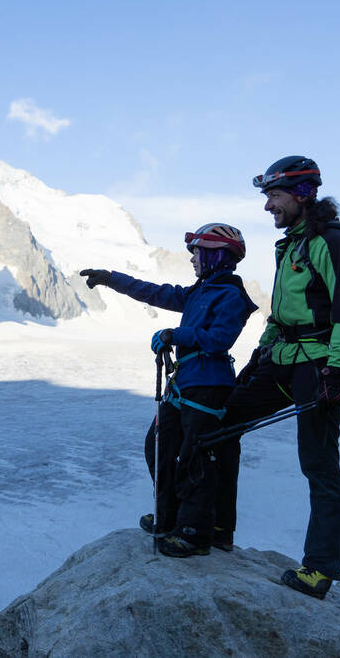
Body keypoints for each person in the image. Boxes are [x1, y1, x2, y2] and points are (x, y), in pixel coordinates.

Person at [221, 155, 340, 599]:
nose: (268, 206)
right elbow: (281, 314)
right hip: (282, 360)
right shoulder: (292, 244)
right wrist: (259, 356)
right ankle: (214, 530)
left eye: (275, 196)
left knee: (319, 466)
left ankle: (319, 570)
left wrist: (335, 371)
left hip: (318, 367)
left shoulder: (331, 243)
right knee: (222, 421)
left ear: (303, 194)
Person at [80, 223, 258, 557]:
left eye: (198, 253)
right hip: (188, 383)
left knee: (195, 459)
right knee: (159, 446)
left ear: (217, 255)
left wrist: (176, 336)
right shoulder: (198, 292)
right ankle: (171, 514)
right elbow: (154, 292)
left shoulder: (231, 296)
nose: (192, 260)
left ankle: (194, 532)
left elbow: (221, 338)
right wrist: (110, 278)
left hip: (208, 386)